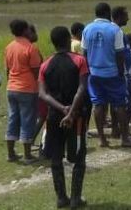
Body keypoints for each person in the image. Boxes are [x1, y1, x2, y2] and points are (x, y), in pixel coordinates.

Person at [39, 26, 91, 208]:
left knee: (56, 156)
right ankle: (76, 198)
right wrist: (70, 113)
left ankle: (61, 197)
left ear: (53, 42)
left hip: (54, 116)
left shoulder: (45, 64)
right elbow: (82, 88)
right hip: (76, 116)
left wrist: (61, 109)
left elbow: (43, 95)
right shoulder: (79, 60)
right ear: (69, 39)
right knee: (79, 156)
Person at [82, 2, 131, 148]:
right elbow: (119, 54)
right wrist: (120, 72)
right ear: (108, 13)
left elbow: (85, 53)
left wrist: (88, 70)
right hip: (112, 73)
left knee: (98, 104)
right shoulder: (115, 30)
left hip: (94, 73)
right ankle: (125, 138)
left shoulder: (87, 29)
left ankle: (102, 139)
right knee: (120, 104)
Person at [4, 18, 43, 163]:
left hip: (11, 88)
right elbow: (36, 71)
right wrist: (40, 87)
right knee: (28, 120)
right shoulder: (31, 48)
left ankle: (10, 154)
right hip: (27, 89)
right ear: (25, 30)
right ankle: (27, 155)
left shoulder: (9, 47)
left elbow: (7, 70)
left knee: (13, 119)